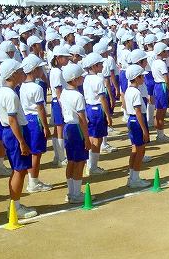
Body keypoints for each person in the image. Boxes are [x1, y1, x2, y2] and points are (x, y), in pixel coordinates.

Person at [0, 59, 37, 219]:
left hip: (11, 132)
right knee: (20, 170)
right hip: (14, 133)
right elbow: (12, 120)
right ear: (13, 74)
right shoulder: (10, 94)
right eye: (20, 71)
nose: (23, 74)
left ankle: (15, 204)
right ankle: (16, 206)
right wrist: (22, 142)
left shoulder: (4, 92)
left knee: (18, 169)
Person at [20, 54, 52, 193]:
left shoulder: (23, 86)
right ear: (33, 70)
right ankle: (33, 182)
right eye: (39, 68)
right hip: (36, 121)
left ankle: (32, 179)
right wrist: (45, 126)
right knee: (36, 153)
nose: (42, 71)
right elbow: (40, 109)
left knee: (33, 152)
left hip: (27, 119)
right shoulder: (36, 88)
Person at [59, 63, 90, 204]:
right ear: (74, 79)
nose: (82, 79)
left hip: (68, 128)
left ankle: (71, 192)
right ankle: (77, 194)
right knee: (80, 162)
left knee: (71, 161)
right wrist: (87, 138)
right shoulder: (78, 96)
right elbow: (83, 119)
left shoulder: (64, 93)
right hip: (77, 129)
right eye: (80, 77)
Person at [81, 53, 110, 176]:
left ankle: (90, 164)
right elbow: (102, 99)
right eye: (100, 64)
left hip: (88, 108)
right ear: (94, 66)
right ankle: (93, 167)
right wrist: (108, 114)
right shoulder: (98, 79)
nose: (102, 66)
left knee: (93, 137)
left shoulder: (86, 78)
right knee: (97, 140)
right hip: (97, 110)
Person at [123, 64, 151, 188]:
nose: (143, 79)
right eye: (142, 77)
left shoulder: (129, 90)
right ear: (137, 78)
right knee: (140, 151)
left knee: (135, 150)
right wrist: (145, 130)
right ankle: (135, 179)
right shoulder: (136, 93)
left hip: (131, 119)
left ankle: (132, 176)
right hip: (137, 120)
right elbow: (138, 112)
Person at [150, 42, 169, 143]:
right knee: (161, 112)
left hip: (157, 86)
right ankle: (160, 135)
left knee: (159, 111)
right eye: (165, 51)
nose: (167, 52)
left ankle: (159, 134)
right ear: (162, 52)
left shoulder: (155, 62)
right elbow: (167, 79)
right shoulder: (162, 63)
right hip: (162, 86)